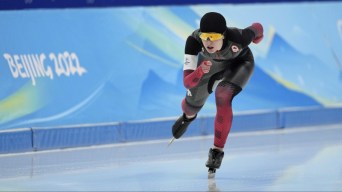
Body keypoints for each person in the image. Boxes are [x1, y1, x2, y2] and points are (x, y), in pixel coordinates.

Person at [171, 12, 263, 173]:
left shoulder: (239, 37)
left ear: (223, 35)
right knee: (190, 107)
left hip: (240, 63)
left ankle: (216, 151)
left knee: (223, 95)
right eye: (205, 36)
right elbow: (187, 82)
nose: (208, 42)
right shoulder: (193, 41)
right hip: (210, 65)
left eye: (213, 37)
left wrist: (257, 38)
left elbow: (257, 28)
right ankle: (188, 118)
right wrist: (199, 72)